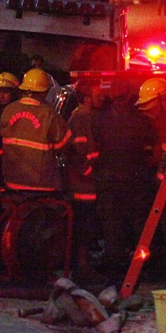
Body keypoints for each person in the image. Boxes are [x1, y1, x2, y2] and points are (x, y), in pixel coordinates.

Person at [93, 81, 158, 279]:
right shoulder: (142, 121)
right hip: (136, 180)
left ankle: (114, 263)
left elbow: (95, 149)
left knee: (112, 224)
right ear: (132, 96)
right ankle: (142, 265)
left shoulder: (99, 120)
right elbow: (149, 151)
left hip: (108, 181)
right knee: (139, 224)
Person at [0, 68, 71, 193]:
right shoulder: (48, 114)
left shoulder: (8, 110)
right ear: (44, 92)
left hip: (12, 184)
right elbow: (63, 145)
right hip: (42, 186)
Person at [65, 81, 105, 272]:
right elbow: (82, 151)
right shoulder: (82, 117)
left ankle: (82, 262)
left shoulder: (87, 116)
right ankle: (82, 264)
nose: (102, 98)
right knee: (83, 224)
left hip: (86, 182)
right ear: (87, 99)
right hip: (84, 185)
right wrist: (90, 173)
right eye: (98, 96)